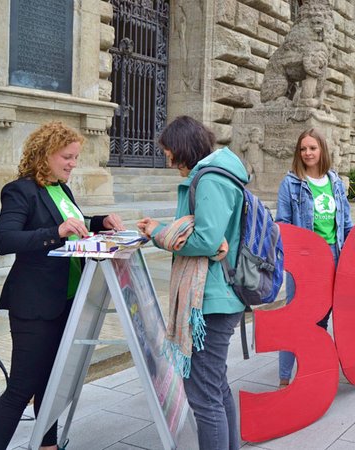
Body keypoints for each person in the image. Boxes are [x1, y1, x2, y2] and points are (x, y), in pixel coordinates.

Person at [0, 122, 125, 450]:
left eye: (76, 157)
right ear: (45, 154)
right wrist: (56, 232)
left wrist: (98, 221)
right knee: (22, 387)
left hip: (66, 300)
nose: (73, 163)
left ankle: (48, 445)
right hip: (34, 303)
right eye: (67, 156)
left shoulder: (61, 188)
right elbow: (3, 240)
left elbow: (69, 224)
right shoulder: (20, 190)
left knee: (51, 380)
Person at [137, 116, 246, 450]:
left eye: (169, 153)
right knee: (215, 387)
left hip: (211, 299)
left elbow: (206, 239)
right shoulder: (218, 173)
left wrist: (159, 232)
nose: (169, 162)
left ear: (182, 149)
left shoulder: (209, 179)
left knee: (203, 396)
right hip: (218, 294)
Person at [275, 128, 353, 386]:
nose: (308, 153)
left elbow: (346, 223)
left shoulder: (336, 182)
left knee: (323, 315)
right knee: (294, 316)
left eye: (312, 148)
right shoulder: (291, 183)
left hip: (333, 255)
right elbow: (283, 224)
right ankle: (285, 378)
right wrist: (295, 257)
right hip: (304, 258)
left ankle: (311, 366)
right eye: (303, 149)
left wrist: (354, 257)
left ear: (322, 150)